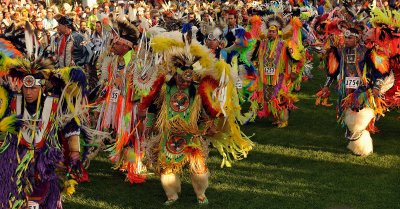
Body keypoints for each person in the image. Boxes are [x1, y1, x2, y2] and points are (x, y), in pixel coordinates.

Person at [140, 25, 253, 205]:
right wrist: (149, 125)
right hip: (169, 133)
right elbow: (153, 107)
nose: (184, 84)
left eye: (188, 80)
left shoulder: (199, 92)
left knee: (198, 168)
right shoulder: (163, 88)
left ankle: (201, 193)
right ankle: (172, 195)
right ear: (175, 76)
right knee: (168, 168)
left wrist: (206, 127)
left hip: (191, 133)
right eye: (181, 80)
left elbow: (208, 111)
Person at [0, 56, 91, 208]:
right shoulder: (12, 102)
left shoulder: (55, 104)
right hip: (14, 161)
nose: (28, 92)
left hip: (44, 163)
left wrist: (75, 151)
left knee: (42, 198)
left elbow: (71, 127)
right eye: (25, 88)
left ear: (42, 88)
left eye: (33, 88)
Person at [317, 20, 391, 156]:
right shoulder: (340, 52)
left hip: (362, 90)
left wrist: (376, 86)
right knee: (349, 117)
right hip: (345, 90)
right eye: (345, 37)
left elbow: (378, 70)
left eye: (350, 37)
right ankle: (354, 144)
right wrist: (327, 86)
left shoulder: (367, 52)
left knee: (360, 117)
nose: (346, 40)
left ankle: (363, 148)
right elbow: (333, 71)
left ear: (357, 39)